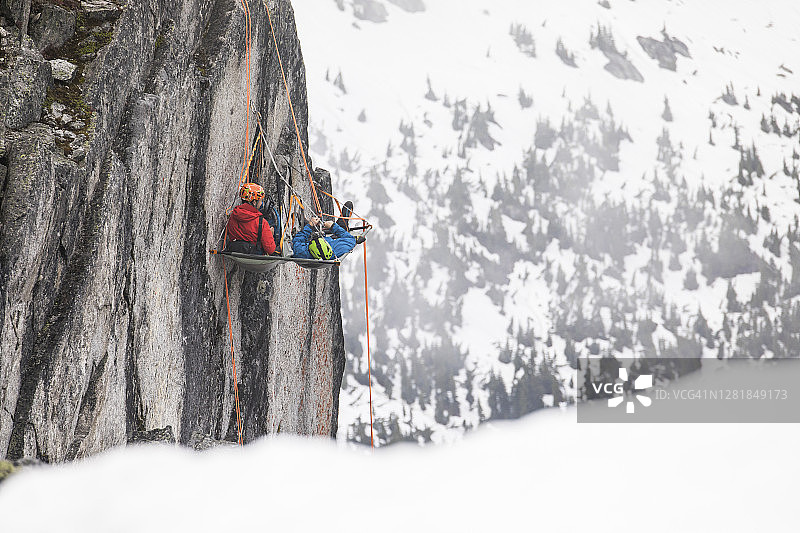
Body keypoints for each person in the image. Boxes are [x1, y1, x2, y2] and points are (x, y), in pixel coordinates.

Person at [225, 182, 276, 255]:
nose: (261, 203)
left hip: (236, 253)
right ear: (254, 202)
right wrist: (271, 234)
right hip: (254, 258)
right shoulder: (262, 223)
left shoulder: (233, 216)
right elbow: (270, 249)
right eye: (260, 200)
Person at [292, 207, 362, 260]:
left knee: (308, 234)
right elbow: (351, 240)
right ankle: (341, 226)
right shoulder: (335, 250)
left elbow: (297, 240)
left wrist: (309, 225)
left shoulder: (301, 251)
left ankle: (311, 227)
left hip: (312, 242)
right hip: (331, 241)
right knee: (341, 231)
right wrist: (333, 226)